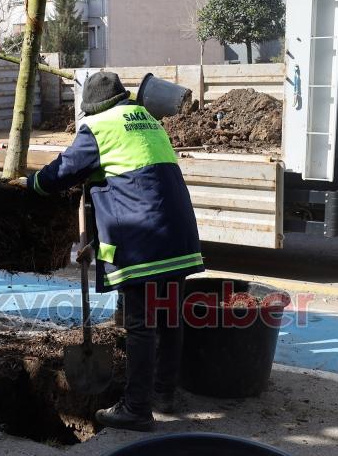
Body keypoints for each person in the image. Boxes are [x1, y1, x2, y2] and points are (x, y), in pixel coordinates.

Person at [19, 72, 204, 431]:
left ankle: (136, 408)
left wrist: (31, 183)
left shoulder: (99, 128)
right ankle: (164, 393)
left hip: (146, 244)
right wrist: (94, 243)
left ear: (93, 107)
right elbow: (129, 184)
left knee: (140, 325)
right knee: (168, 319)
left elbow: (62, 172)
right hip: (177, 237)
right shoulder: (147, 120)